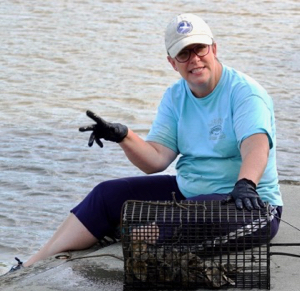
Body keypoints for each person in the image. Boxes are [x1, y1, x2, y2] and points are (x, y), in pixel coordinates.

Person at [9, 13, 282, 271]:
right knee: (106, 194)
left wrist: (246, 184)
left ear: (214, 48)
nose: (195, 60)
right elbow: (156, 160)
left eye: (200, 49)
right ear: (172, 62)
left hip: (249, 205)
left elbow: (255, 145)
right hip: (190, 194)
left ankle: (127, 235)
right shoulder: (175, 97)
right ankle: (31, 264)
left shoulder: (245, 93)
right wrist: (124, 135)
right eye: (184, 53)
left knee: (179, 219)